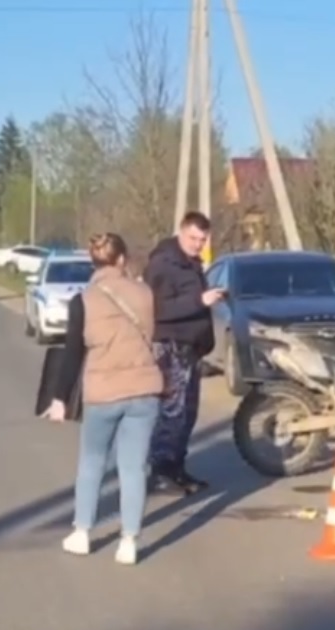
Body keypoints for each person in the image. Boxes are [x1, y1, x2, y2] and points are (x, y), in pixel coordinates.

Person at [42, 232, 163, 566]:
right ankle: (129, 541)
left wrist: (59, 398)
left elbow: (72, 354)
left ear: (93, 262)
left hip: (103, 393)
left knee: (92, 462)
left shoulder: (83, 301)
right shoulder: (144, 294)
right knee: (134, 467)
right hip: (144, 389)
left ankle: (82, 533)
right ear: (122, 259)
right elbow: (153, 334)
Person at [143, 211, 225, 496]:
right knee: (172, 411)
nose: (198, 245)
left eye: (202, 240)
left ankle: (177, 468)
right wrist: (199, 300)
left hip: (190, 348)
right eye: (193, 238)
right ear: (181, 232)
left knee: (187, 414)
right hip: (170, 346)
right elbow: (158, 310)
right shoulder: (163, 264)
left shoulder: (192, 264)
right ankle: (161, 470)